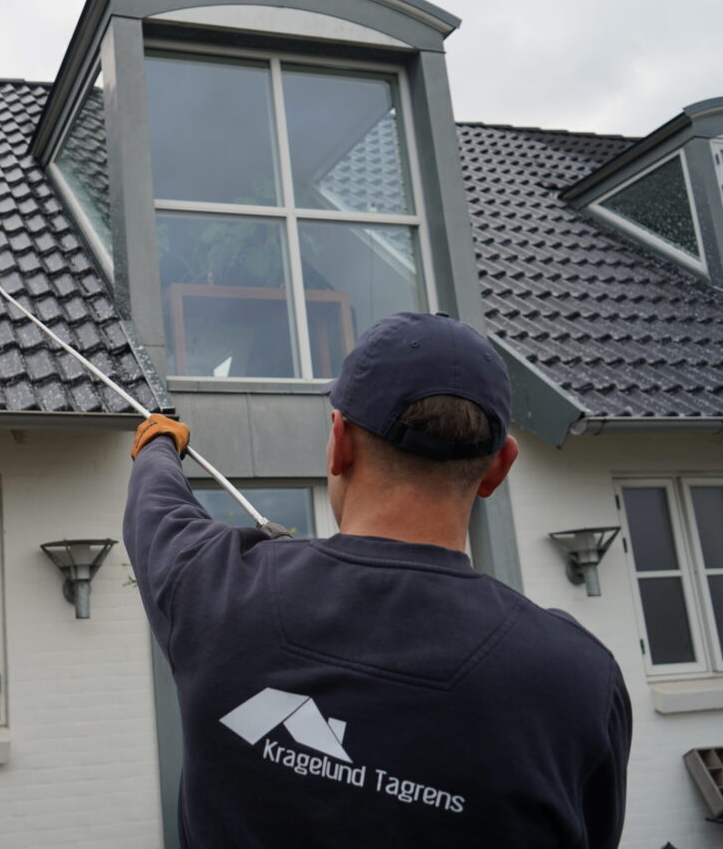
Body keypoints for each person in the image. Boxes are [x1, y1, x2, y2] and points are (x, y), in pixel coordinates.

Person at [124, 311, 631, 848]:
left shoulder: (218, 592)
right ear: (499, 468)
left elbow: (158, 511)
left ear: (339, 440)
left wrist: (158, 446)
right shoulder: (577, 680)